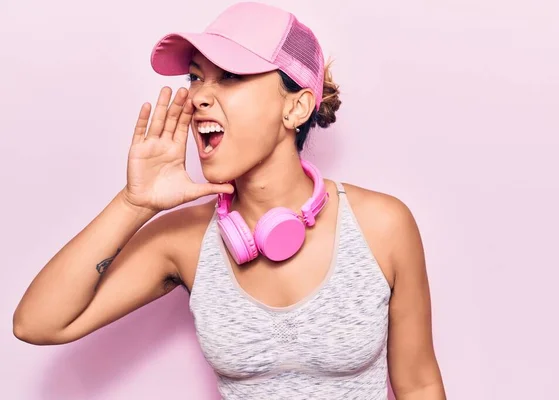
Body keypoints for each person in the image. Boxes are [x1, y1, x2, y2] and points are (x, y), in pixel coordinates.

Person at [13, 2, 446, 399]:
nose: (199, 96)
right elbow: (37, 324)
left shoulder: (383, 225)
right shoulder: (182, 240)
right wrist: (135, 203)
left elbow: (420, 384)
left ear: (296, 109)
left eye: (231, 76)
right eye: (197, 77)